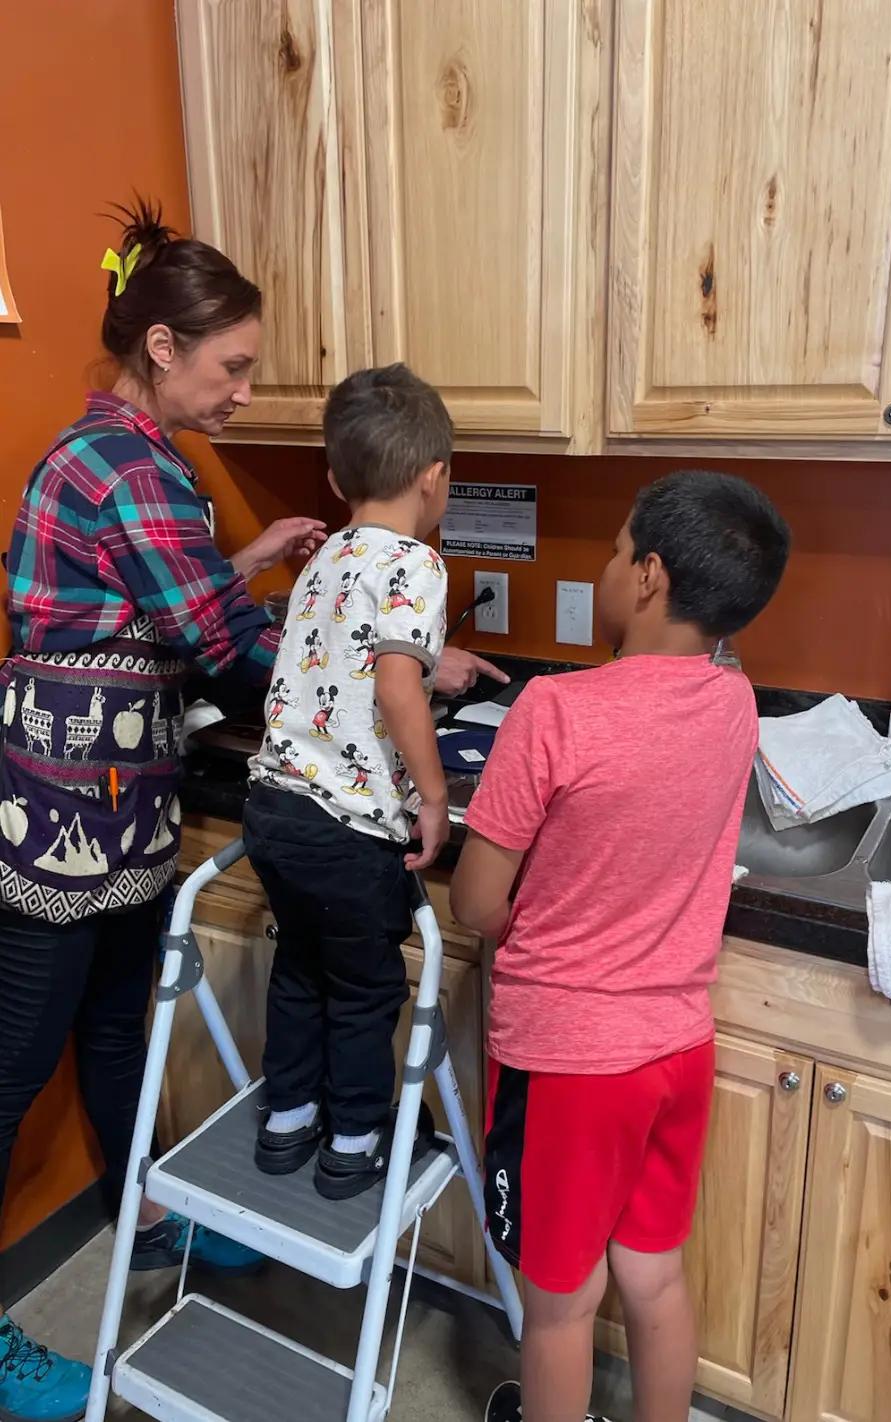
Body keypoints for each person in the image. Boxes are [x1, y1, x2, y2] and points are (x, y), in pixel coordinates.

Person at [0, 206, 498, 1422]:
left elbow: (146, 603)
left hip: (115, 802)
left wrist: (267, 573)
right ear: (161, 346)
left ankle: (153, 1218)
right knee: (11, 1066)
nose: (241, 393)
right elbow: (219, 647)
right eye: (231, 369)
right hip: (66, 809)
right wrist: (385, 669)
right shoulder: (132, 467)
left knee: (118, 1030)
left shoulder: (121, 456)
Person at [450, 470, 791, 1422]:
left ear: (645, 576)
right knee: (653, 1275)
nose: (603, 566)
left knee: (559, 1307)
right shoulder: (733, 701)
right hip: (679, 1047)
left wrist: (541, 921)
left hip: (570, 1061)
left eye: (611, 549)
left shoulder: (554, 714)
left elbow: (479, 901)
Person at [244, 364, 456, 1198]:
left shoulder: (326, 552)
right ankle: (356, 1142)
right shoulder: (417, 563)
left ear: (335, 478)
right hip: (347, 829)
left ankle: (288, 1118)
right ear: (433, 477)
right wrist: (433, 799)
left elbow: (341, 663)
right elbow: (397, 685)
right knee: (366, 990)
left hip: (274, 810)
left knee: (299, 967)